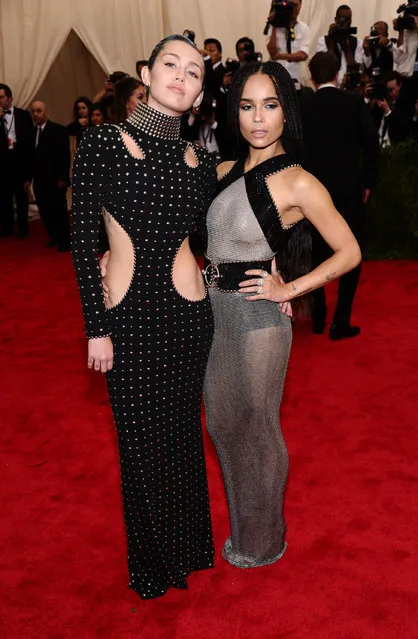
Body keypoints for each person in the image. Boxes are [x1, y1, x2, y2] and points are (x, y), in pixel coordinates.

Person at [71, 34, 216, 599]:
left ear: (201, 93)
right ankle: (153, 564)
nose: (182, 76)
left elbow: (228, 233)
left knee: (181, 435)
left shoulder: (201, 162)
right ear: (146, 73)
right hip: (127, 315)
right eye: (171, 65)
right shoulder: (104, 142)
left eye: (195, 72)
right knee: (137, 441)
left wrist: (277, 278)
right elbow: (84, 243)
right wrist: (96, 327)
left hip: (189, 315)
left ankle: (188, 547)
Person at [202, 61, 361, 568]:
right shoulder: (224, 170)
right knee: (224, 425)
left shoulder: (298, 182)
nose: (257, 118)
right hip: (212, 314)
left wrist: (289, 287)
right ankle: (246, 525)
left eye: (270, 105)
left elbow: (349, 251)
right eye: (247, 106)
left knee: (258, 423)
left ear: (286, 112)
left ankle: (264, 539)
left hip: (258, 322)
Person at [301, 52, 379, 339]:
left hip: (311, 196)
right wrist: (367, 183)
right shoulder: (354, 102)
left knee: (317, 254)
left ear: (311, 77)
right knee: (352, 253)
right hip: (348, 193)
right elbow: (372, 145)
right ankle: (340, 322)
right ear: (338, 73)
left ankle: (318, 316)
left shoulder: (303, 105)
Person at [30, 101, 71, 251]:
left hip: (55, 180)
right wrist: (28, 179)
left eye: (39, 111)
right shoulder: (32, 132)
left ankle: (65, 241)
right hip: (39, 180)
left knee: (58, 211)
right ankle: (54, 237)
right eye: (33, 111)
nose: (36, 114)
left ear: (46, 112)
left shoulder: (58, 130)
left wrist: (62, 178)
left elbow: (64, 156)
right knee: (45, 211)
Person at [0, 83, 34, 237]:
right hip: (3, 163)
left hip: (19, 161)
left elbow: (29, 144)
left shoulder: (23, 115)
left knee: (21, 197)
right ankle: (7, 228)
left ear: (10, 98)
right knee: (4, 198)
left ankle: (23, 228)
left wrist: (28, 174)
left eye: (1, 97)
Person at [316, 5, 371, 88]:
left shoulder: (357, 42)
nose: (344, 23)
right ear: (336, 20)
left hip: (350, 89)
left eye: (348, 19)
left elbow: (358, 70)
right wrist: (332, 40)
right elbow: (324, 66)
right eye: (342, 19)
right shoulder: (323, 40)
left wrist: (347, 49)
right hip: (330, 88)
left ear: (351, 21)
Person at [266, 0, 310, 90]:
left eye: (295, 5)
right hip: (275, 78)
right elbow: (272, 52)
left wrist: (280, 56)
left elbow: (303, 55)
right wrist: (275, 23)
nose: (293, 8)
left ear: (301, 5)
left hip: (295, 79)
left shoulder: (303, 28)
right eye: (290, 5)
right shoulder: (275, 27)